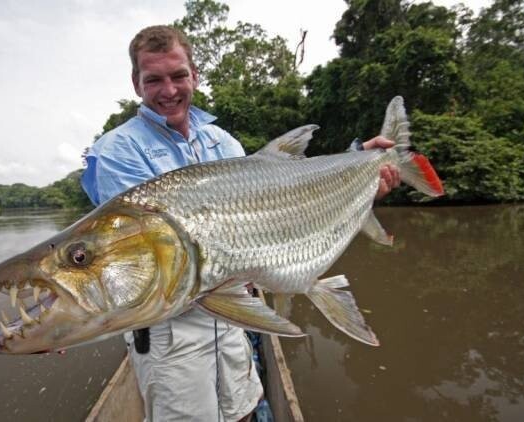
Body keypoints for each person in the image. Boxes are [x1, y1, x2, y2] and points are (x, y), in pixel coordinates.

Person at [81, 25, 399, 422]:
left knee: (244, 410)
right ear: (136, 83)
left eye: (178, 75)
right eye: (154, 80)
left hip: (233, 316)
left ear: (194, 75)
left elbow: (281, 196)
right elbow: (141, 261)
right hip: (172, 334)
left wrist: (358, 167)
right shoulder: (116, 151)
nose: (169, 90)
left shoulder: (223, 142)